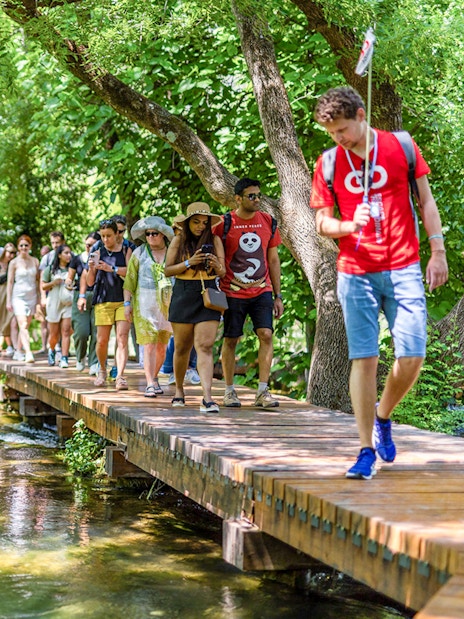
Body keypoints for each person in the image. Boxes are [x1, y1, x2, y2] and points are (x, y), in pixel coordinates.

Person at [310, 86, 448, 480]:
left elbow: (426, 202)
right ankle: (365, 448)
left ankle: (383, 416)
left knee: (412, 356)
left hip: (404, 266)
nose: (339, 138)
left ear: (360, 113)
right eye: (332, 133)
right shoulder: (329, 163)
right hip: (355, 271)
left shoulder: (400, 146)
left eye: (343, 129)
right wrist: (346, 225)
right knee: (364, 358)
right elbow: (321, 221)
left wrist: (437, 252)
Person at [214, 178, 284, 409]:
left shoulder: (268, 221)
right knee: (231, 338)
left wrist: (278, 295)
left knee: (266, 333)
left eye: (259, 195)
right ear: (238, 198)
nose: (257, 200)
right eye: (251, 196)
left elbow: (273, 259)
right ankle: (229, 391)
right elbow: (217, 259)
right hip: (232, 291)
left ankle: (263, 392)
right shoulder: (224, 223)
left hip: (262, 289)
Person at [165, 202, 226, 413]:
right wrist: (190, 262)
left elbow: (223, 272)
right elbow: (167, 270)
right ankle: (179, 391)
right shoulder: (178, 240)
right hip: (183, 293)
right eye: (196, 222)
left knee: (205, 346)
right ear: (188, 222)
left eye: (204, 223)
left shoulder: (215, 240)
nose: (200, 226)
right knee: (182, 347)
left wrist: (216, 265)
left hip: (209, 294)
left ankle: (207, 397)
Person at [123, 216, 174, 397]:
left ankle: (154, 377)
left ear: (163, 235)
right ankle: (150, 383)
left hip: (168, 304)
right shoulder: (139, 253)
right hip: (144, 304)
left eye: (155, 233)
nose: (151, 237)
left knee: (162, 346)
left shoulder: (173, 252)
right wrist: (127, 303)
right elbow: (129, 280)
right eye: (148, 234)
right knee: (149, 344)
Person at [80, 219, 130, 389]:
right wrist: (93, 268)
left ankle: (120, 376)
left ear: (117, 234)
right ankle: (102, 369)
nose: (106, 239)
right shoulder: (96, 249)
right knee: (102, 340)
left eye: (109, 235)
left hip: (123, 299)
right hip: (102, 299)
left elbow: (131, 273)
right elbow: (90, 282)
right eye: (103, 236)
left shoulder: (126, 249)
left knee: (122, 338)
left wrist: (111, 269)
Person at [160, 215, 201, 387]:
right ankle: (170, 370)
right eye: (176, 229)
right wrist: (188, 263)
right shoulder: (176, 245)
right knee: (178, 338)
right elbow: (168, 271)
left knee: (197, 338)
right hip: (179, 293)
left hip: (198, 294)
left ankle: (190, 368)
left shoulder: (198, 243)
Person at [66, 232, 100, 373]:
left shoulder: (102, 257)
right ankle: (80, 357)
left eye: (91, 244)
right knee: (81, 331)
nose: (88, 247)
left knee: (97, 332)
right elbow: (70, 276)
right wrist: (68, 282)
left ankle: (94, 362)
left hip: (99, 295)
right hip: (81, 295)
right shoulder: (77, 259)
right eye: (87, 244)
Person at [6, 235, 40, 363]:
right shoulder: (14, 262)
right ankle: (28, 352)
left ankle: (18, 350)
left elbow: (38, 281)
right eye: (21, 245)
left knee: (26, 325)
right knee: (23, 324)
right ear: (18, 247)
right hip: (18, 297)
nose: (24, 247)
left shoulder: (35, 261)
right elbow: (9, 282)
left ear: (30, 246)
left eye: (26, 245)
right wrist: (9, 300)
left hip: (31, 296)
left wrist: (39, 298)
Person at [41, 244, 73, 368]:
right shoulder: (50, 269)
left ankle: (64, 357)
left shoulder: (72, 269)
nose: (68, 255)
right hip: (53, 303)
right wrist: (54, 282)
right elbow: (43, 286)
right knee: (54, 334)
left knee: (66, 331)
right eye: (66, 253)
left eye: (69, 253)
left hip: (67, 303)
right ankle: (52, 350)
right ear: (59, 255)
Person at [0, 243, 17, 356]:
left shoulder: (14, 264)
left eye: (13, 253)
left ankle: (11, 346)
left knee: (10, 319)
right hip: (0, 295)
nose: (11, 255)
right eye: (9, 252)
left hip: (10, 296)